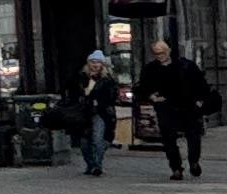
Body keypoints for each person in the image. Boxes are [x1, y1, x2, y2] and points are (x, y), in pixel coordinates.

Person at [134, 37, 214, 180]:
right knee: (168, 138)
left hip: (188, 106)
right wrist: (151, 96)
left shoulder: (185, 66)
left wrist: (200, 101)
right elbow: (142, 87)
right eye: (156, 53)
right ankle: (176, 168)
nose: (160, 56)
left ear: (169, 50)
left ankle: (194, 161)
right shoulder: (150, 69)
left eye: (162, 52)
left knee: (193, 136)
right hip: (166, 107)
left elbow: (201, 84)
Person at [65, 52, 118, 178]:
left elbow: (111, 96)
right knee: (84, 142)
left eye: (98, 62)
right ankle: (91, 165)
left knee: (98, 138)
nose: (95, 65)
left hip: (100, 112)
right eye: (92, 62)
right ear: (88, 63)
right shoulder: (80, 78)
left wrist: (94, 95)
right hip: (83, 113)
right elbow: (72, 93)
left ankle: (97, 166)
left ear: (102, 64)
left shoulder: (107, 79)